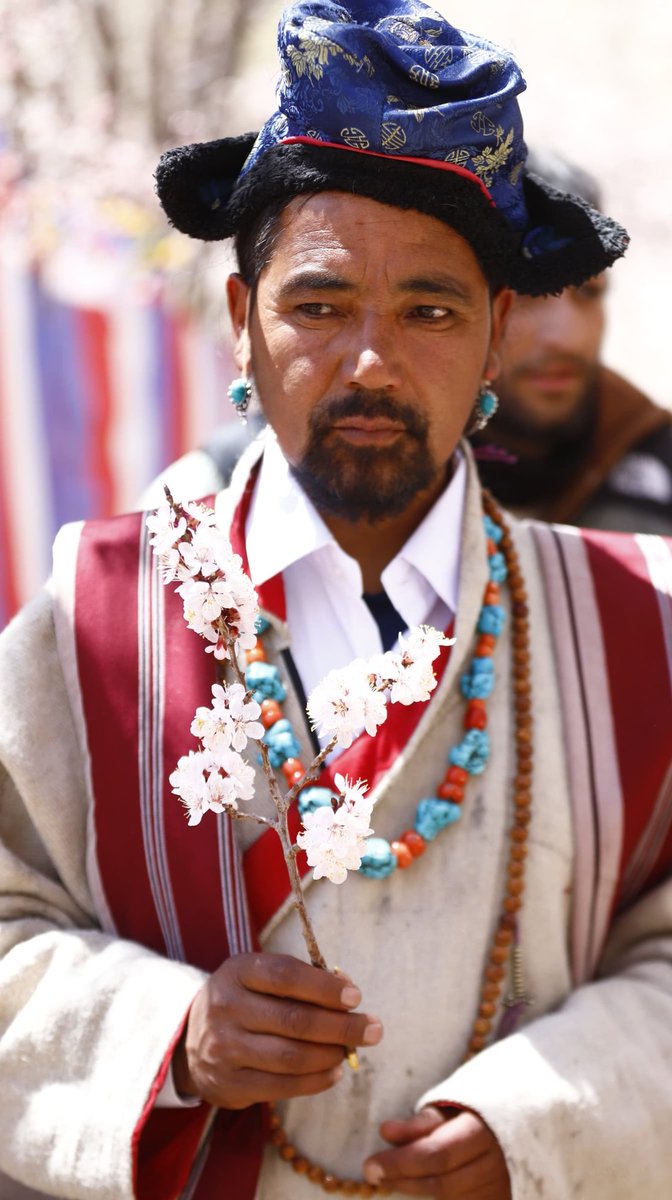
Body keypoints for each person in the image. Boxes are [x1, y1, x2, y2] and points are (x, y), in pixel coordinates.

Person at [0, 4, 670, 1199]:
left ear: (496, 338)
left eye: (430, 311)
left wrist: (547, 1122)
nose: (370, 361)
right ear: (241, 323)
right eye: (318, 305)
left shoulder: (627, 624)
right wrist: (171, 1039)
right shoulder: (95, 614)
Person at [471, 150, 672, 531]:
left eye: (590, 293)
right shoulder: (382, 468)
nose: (568, 338)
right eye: (528, 294)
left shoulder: (657, 467)